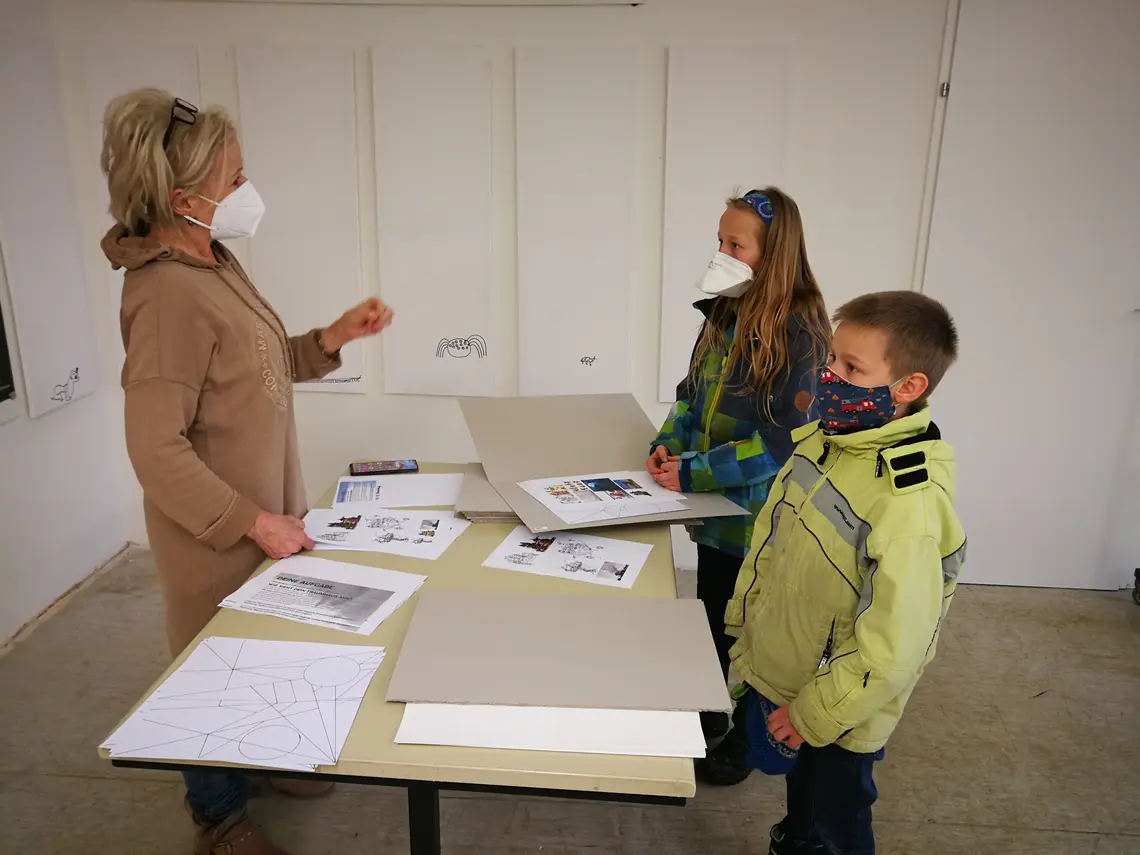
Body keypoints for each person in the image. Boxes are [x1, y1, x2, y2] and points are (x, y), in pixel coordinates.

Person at [101, 88, 393, 855]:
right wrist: (250, 521)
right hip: (215, 535)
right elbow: (155, 446)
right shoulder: (166, 295)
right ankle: (219, 816)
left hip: (264, 519)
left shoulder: (214, 261)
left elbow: (261, 366)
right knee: (209, 672)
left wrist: (332, 336)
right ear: (185, 197)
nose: (246, 192)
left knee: (262, 652)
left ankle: (262, 760)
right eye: (233, 180)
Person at [698, 291, 966, 855]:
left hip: (838, 712)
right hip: (793, 675)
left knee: (837, 820)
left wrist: (813, 715)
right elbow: (774, 546)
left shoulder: (907, 506)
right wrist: (746, 634)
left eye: (852, 368)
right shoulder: (825, 443)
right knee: (805, 803)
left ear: (909, 388)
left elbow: (893, 649)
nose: (829, 377)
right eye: (832, 360)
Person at [647, 188, 830, 740]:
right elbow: (691, 392)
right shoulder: (724, 309)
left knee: (750, 635)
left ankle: (743, 738)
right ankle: (707, 719)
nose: (721, 253)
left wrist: (694, 472)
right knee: (709, 622)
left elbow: (784, 442)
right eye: (718, 240)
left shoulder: (803, 332)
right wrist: (666, 444)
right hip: (713, 509)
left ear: (774, 253)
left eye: (735, 243)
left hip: (759, 519)